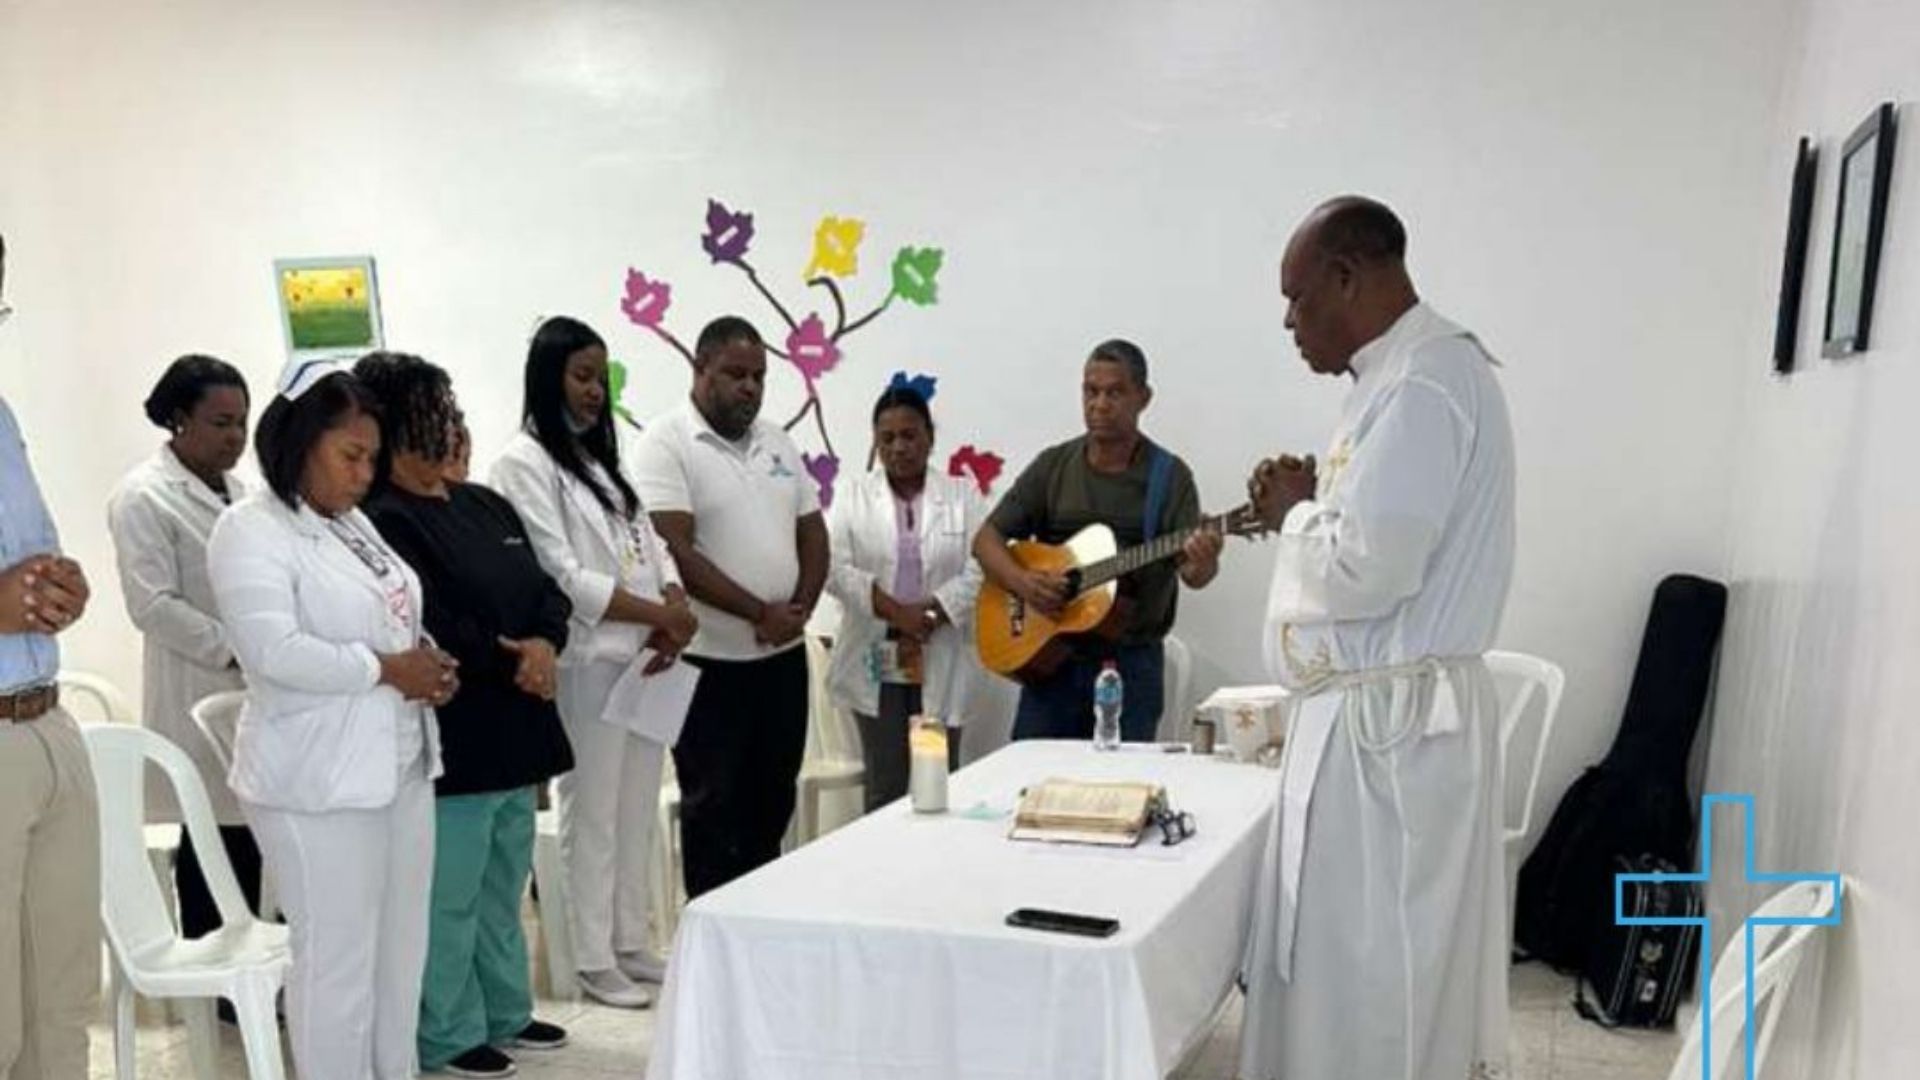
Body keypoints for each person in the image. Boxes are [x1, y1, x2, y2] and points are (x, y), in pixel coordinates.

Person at [1237, 196, 1516, 1080]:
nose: (1289, 322)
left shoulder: (1425, 382)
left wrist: (1297, 513)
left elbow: (1369, 569)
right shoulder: (1396, 376)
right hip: (1375, 730)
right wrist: (1318, 498)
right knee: (1341, 965)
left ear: (1347, 277)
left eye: (1297, 298)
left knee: (1377, 974)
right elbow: (1381, 530)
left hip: (1391, 744)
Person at [208, 365, 458, 1080]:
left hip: (398, 763)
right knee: (336, 967)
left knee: (399, 957)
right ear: (298, 441)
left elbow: (389, 613)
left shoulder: (351, 522)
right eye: (350, 455)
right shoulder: (248, 529)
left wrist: (426, 659)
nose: (364, 473)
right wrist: (388, 669)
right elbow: (272, 651)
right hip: (315, 782)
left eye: (372, 458)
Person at [357, 352, 574, 1077]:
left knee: (502, 884)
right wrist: (515, 658)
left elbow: (546, 591)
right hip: (458, 733)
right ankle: (447, 1030)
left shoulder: (483, 505)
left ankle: (506, 1009)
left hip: (520, 725)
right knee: (449, 894)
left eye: (450, 409)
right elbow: (434, 621)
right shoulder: (383, 520)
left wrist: (545, 642)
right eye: (435, 411)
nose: (451, 424)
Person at [491, 317, 697, 1009]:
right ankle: (590, 956)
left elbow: (652, 545)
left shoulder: (605, 461)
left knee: (635, 809)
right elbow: (560, 574)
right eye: (581, 377)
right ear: (547, 378)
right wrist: (657, 615)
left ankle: (630, 940)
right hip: (589, 661)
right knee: (594, 813)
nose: (593, 392)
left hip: (644, 660)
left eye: (600, 379)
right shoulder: (523, 463)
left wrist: (673, 603)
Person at [630, 315, 828, 898]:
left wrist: (799, 609)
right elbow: (675, 550)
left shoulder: (777, 441)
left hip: (781, 660)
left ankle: (760, 924)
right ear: (701, 370)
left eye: (759, 376)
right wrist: (758, 613)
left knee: (773, 800)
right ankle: (714, 930)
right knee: (714, 809)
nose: (750, 387)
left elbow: (813, 532)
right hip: (709, 665)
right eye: (736, 374)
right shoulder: (665, 443)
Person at [972, 339, 1222, 742]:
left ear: (1143, 398)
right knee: (1033, 772)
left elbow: (1194, 574)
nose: (1100, 404)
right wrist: (1024, 584)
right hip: (1049, 661)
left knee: (1122, 778)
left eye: (1115, 392)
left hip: (1131, 665)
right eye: (1091, 391)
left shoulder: (1169, 477)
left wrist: (1204, 560)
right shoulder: (1054, 466)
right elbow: (986, 539)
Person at [106, 354, 264, 944]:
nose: (235, 437)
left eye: (242, 422)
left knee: (254, 841)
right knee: (213, 842)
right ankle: (216, 973)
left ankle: (261, 963)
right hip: (198, 687)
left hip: (253, 694)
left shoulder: (243, 493)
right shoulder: (142, 497)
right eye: (221, 423)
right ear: (179, 419)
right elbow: (152, 604)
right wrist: (239, 649)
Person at [0, 230, 100, 1080]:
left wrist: (62, 587)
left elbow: (30, 559)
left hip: (47, 720)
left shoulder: (1, 419)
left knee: (63, 999)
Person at [825, 385, 985, 809]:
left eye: (909, 435)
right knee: (886, 781)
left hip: (939, 642)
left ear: (930, 436)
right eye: (887, 438)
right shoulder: (853, 494)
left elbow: (983, 566)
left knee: (938, 776)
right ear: (876, 443)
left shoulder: (962, 495)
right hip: (877, 649)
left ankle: (938, 852)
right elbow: (833, 568)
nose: (899, 447)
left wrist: (933, 613)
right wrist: (897, 613)